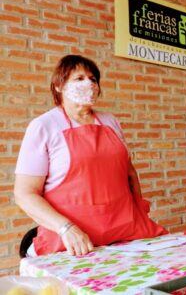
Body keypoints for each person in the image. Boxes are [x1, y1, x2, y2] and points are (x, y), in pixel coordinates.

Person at [14, 55, 166, 257]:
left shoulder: (110, 121)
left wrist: (139, 212)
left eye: (93, 79)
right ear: (59, 86)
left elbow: (129, 172)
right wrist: (66, 228)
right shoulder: (44, 126)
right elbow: (25, 194)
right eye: (79, 78)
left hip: (126, 233)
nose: (88, 83)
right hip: (73, 243)